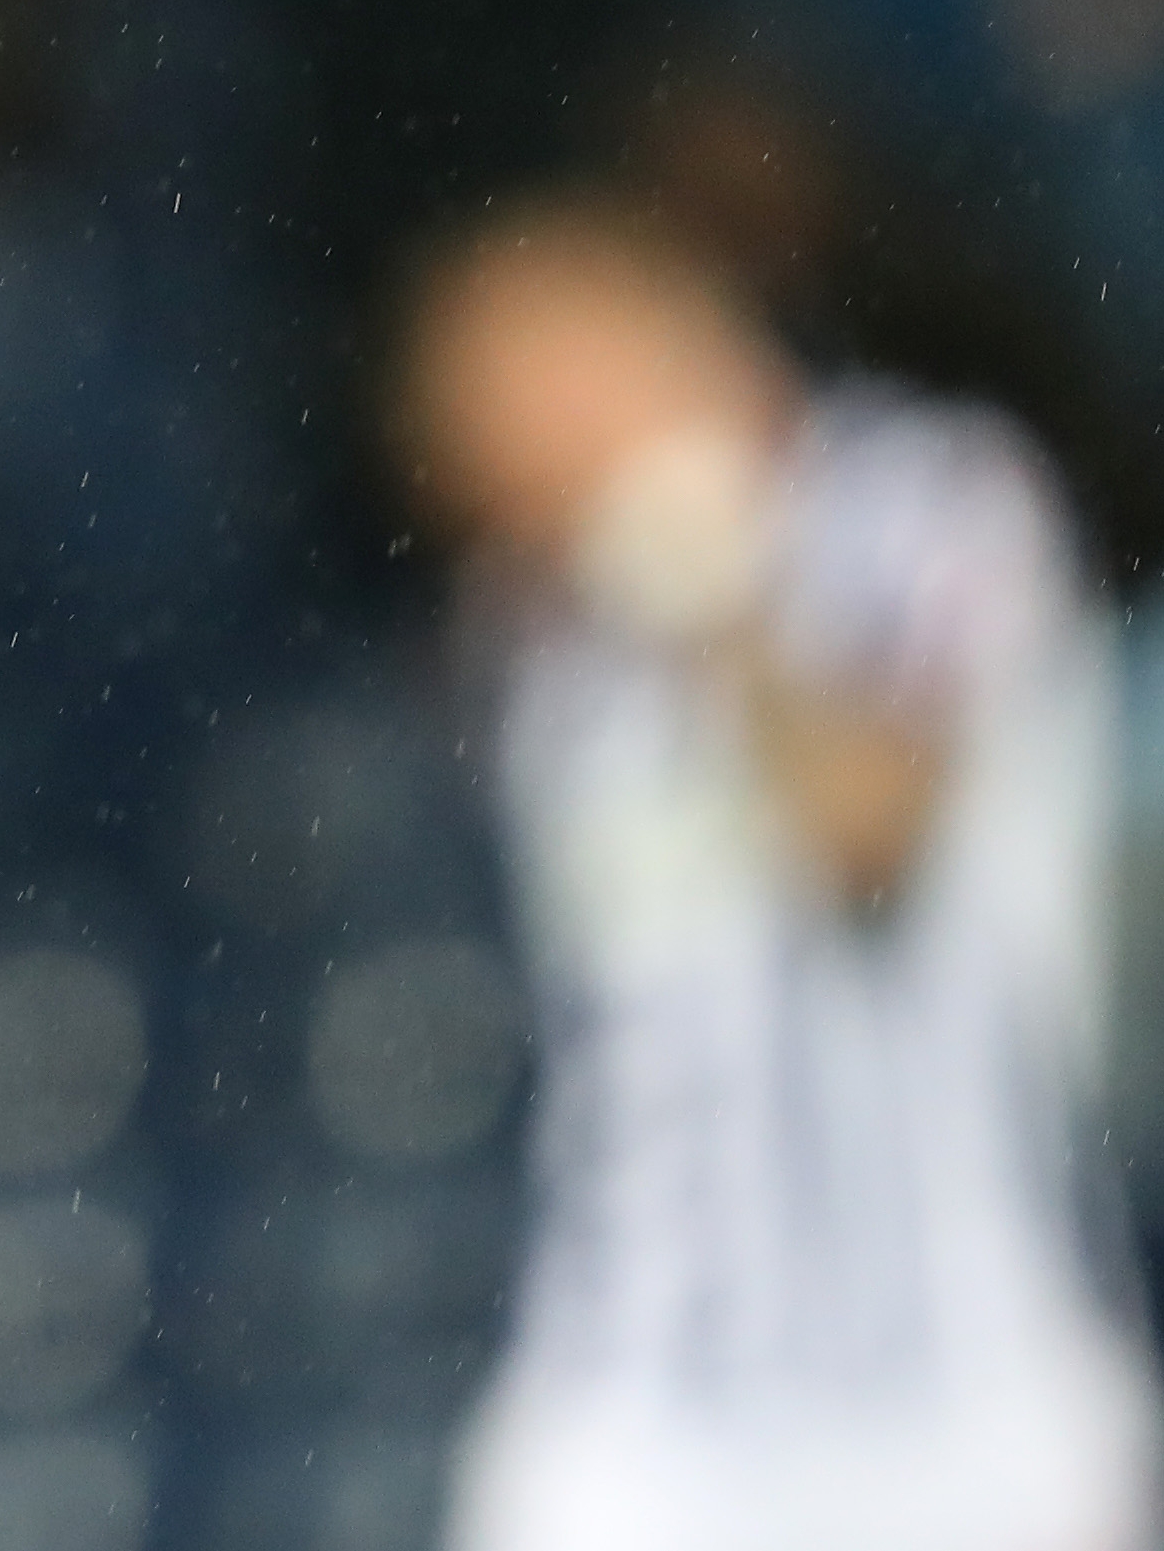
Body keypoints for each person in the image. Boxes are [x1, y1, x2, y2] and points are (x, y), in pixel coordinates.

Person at [392, 194, 1159, 1551]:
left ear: (661, 310)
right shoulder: (537, 617)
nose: (506, 446)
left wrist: (707, 572)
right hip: (641, 1400)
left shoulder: (946, 491)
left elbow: (867, 833)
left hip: (976, 1390)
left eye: (526, 375)